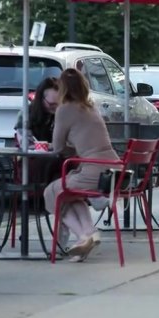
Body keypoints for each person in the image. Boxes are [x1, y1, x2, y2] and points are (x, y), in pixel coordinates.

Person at [43, 68, 118, 262]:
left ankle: (83, 236)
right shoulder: (90, 107)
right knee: (69, 192)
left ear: (63, 89)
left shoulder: (65, 109)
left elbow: (57, 147)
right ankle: (89, 232)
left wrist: (57, 145)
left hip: (94, 170)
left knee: (51, 192)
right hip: (114, 169)